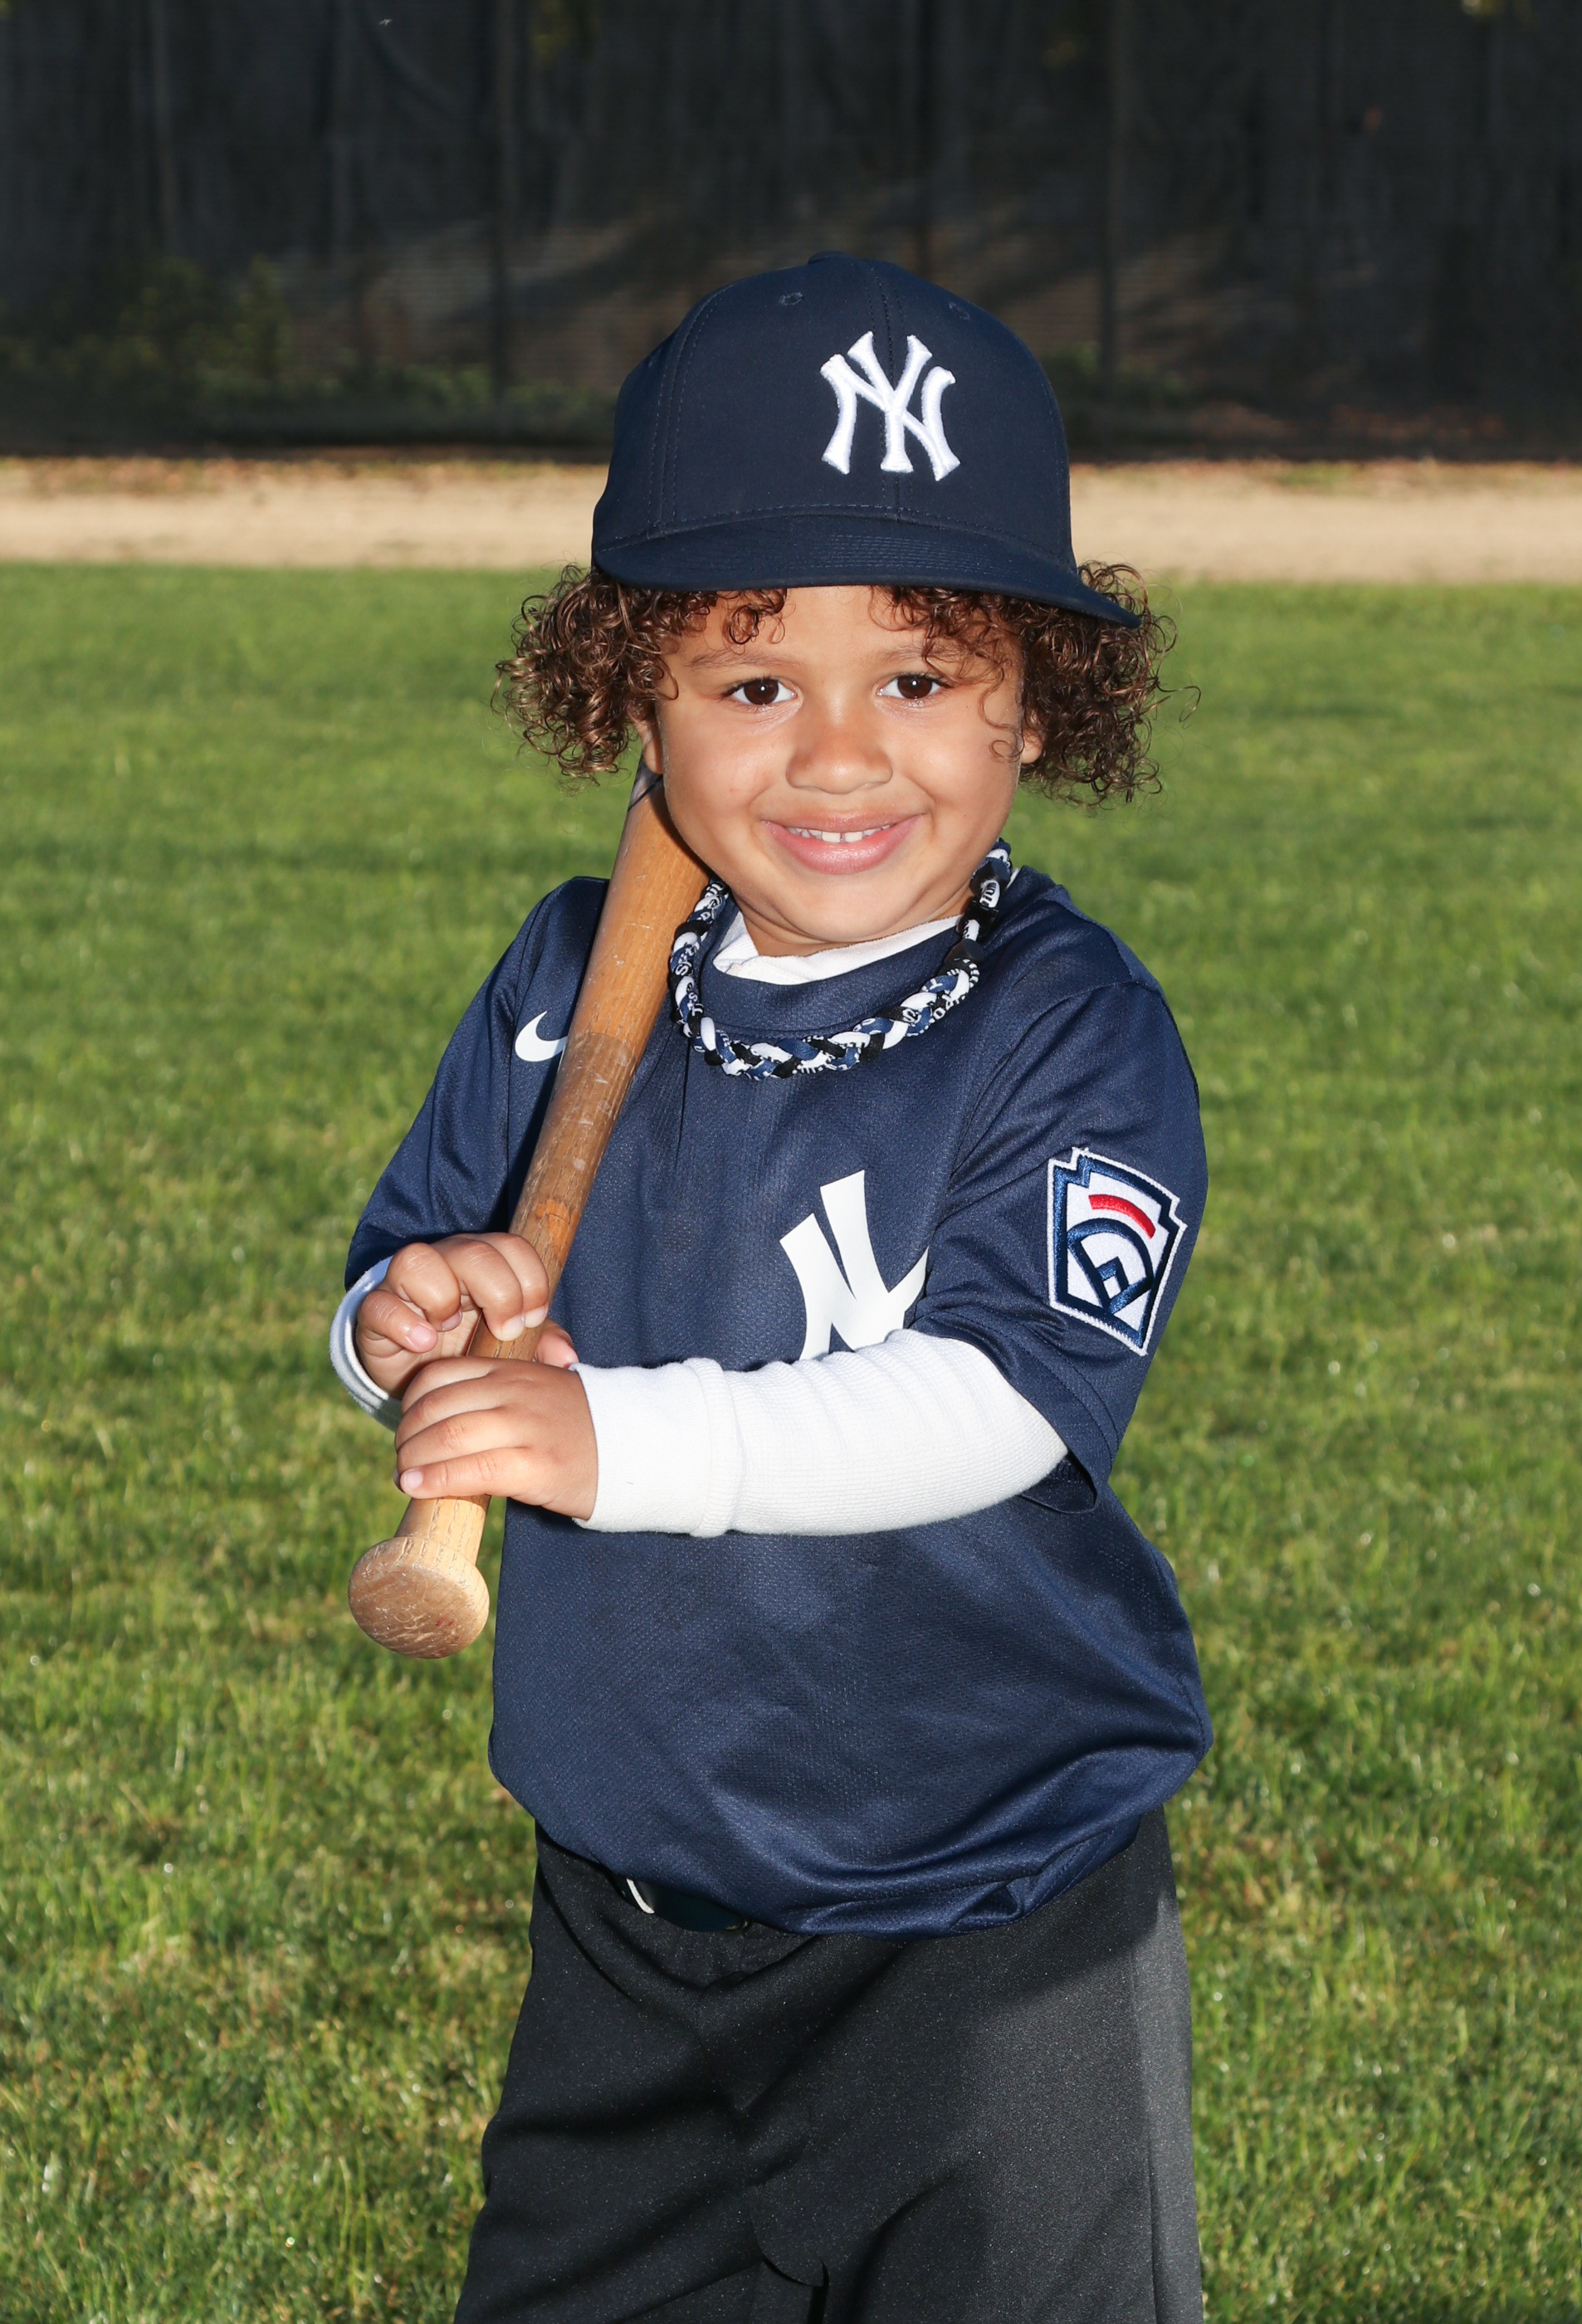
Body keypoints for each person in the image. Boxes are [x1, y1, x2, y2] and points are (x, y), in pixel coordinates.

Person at [330, 253, 1211, 2324]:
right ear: (626, 701)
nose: (834, 756)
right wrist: (406, 1333)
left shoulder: (1066, 1027)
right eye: (748, 685)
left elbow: (1000, 1398)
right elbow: (402, 1265)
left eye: (915, 676)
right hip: (629, 1918)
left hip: (985, 1922)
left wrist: (609, 1438)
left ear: (1038, 701)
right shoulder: (565, 976)